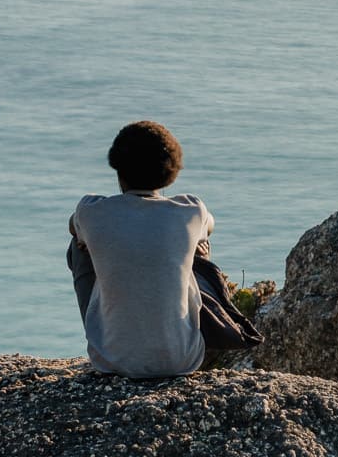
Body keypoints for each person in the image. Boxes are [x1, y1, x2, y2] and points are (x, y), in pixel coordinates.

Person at [67, 119, 261, 377]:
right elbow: (211, 225)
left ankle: (113, 337)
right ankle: (178, 331)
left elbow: (72, 225)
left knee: (79, 246)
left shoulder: (92, 211)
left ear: (117, 168)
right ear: (172, 172)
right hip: (182, 360)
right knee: (196, 246)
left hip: (111, 362)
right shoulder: (191, 211)